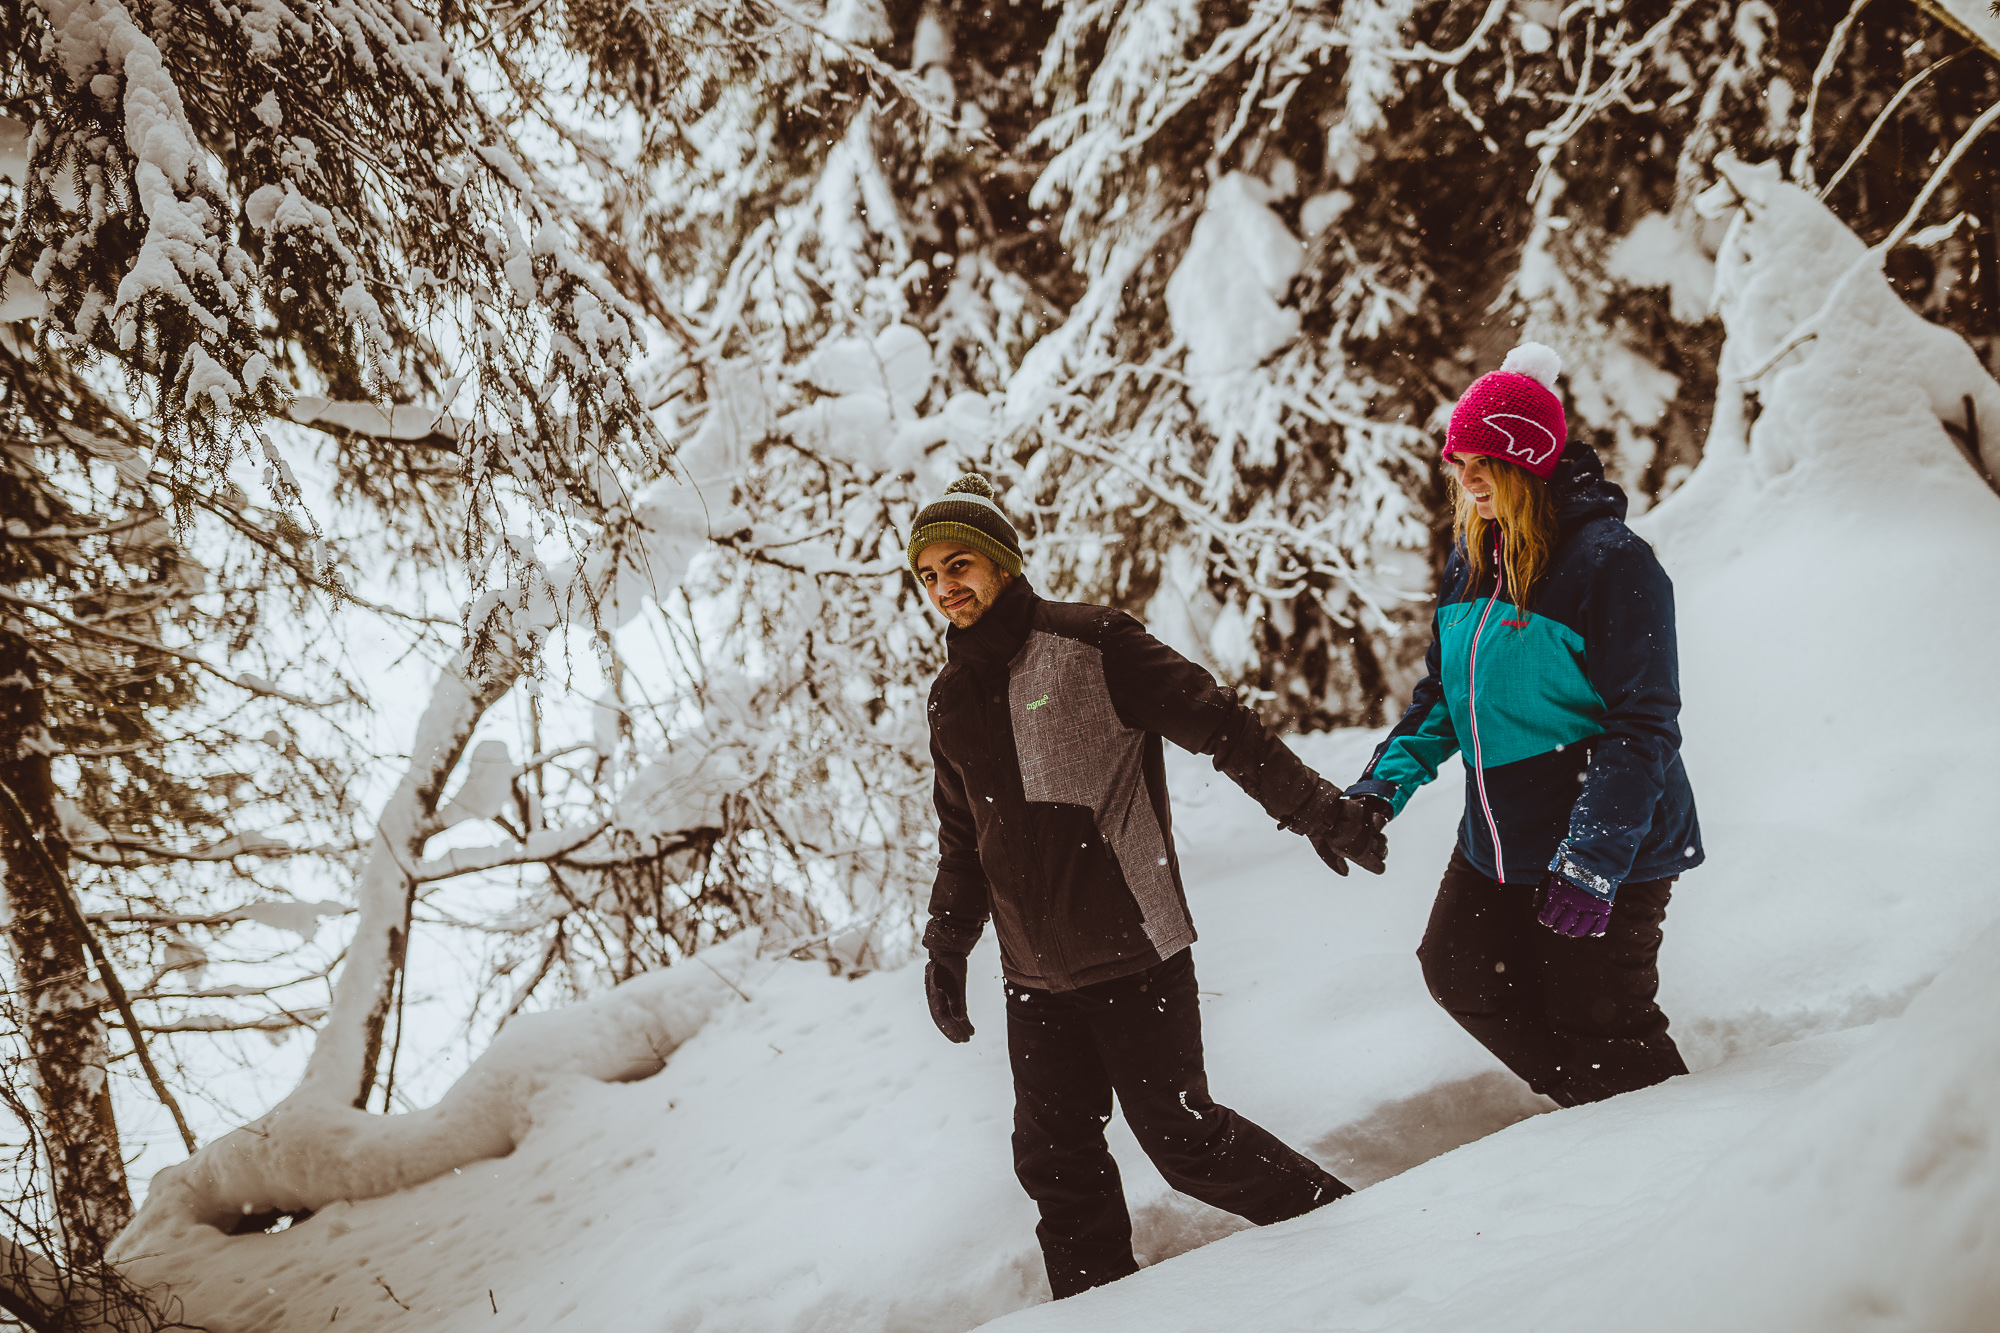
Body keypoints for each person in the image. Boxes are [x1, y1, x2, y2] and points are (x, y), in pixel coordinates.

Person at [908, 474, 1379, 1300]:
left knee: (1185, 1140)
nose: (946, 586)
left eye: (961, 564)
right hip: (1035, 980)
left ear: (1004, 563)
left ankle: (1356, 1229)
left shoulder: (1094, 644)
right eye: (928, 574)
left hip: (1135, 953)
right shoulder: (949, 699)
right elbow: (963, 838)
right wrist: (948, 944)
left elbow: (1221, 723)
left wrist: (1315, 810)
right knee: (1057, 1167)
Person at [1317, 342, 1703, 1109]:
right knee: (1457, 970)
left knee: (1602, 1027)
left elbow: (1643, 726)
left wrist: (1592, 858)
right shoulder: (1473, 556)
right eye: (1457, 460)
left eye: (1483, 461)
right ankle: (1592, 1112)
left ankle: (1671, 1147)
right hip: (1501, 841)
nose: (1465, 478)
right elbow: (1443, 696)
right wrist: (1376, 792)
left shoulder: (1611, 561)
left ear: (1527, 459)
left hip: (1606, 845)